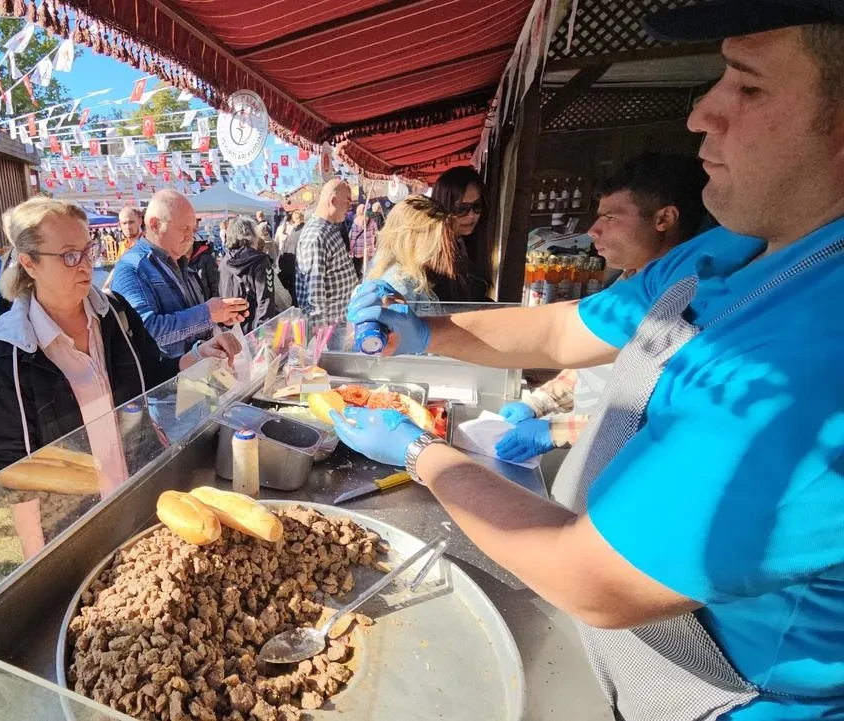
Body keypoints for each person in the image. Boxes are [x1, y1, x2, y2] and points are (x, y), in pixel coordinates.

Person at [334, 6, 844, 719]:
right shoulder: (724, 250)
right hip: (625, 645)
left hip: (722, 696)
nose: (701, 113)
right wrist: (422, 332)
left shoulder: (818, 356)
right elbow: (566, 329)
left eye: (749, 87)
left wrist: (420, 451)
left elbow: (594, 578)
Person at [0, 198, 240, 472]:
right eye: (69, 255)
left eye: (88, 250)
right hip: (77, 509)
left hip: (135, 485)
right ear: (29, 263)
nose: (85, 266)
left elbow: (150, 373)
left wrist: (198, 355)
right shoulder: (8, 359)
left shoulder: (116, 313)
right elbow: (15, 470)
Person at [496, 153, 709, 462]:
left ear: (664, 219)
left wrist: (555, 431)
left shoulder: (686, 303)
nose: (593, 230)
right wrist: (538, 403)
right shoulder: (628, 279)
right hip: (587, 453)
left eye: (610, 217)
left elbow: (655, 417)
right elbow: (597, 365)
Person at [109, 190, 248, 356]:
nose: (191, 237)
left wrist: (221, 316)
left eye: (193, 229)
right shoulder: (133, 267)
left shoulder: (182, 264)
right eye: (184, 229)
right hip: (167, 380)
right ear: (154, 225)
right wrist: (208, 314)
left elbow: (190, 321)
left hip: (195, 373)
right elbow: (147, 333)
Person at [363, 195, 458, 311]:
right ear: (413, 239)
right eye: (436, 239)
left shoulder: (392, 269)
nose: (441, 247)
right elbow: (397, 327)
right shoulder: (401, 286)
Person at [295, 179, 356, 323]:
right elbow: (314, 295)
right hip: (331, 328)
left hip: (340, 320)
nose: (349, 208)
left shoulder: (329, 229)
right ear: (333, 200)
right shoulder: (316, 236)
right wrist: (321, 332)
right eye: (347, 202)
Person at [429, 166, 491, 301]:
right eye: (461, 209)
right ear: (443, 208)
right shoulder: (431, 254)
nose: (471, 216)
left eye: (477, 206)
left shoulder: (465, 242)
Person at [218, 216, 280, 333]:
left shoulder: (224, 262)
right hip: (254, 327)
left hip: (230, 327)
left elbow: (220, 294)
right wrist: (263, 333)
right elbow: (266, 299)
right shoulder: (260, 260)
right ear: (252, 235)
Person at [275, 210, 304, 295]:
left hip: (289, 266)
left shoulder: (294, 232)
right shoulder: (303, 231)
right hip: (298, 267)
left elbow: (282, 249)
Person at [348, 201, 379, 277]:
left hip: (358, 249)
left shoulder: (355, 222)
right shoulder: (371, 221)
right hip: (369, 248)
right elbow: (376, 232)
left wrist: (351, 249)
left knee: (358, 268)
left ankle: (359, 279)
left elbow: (353, 238)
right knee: (369, 267)